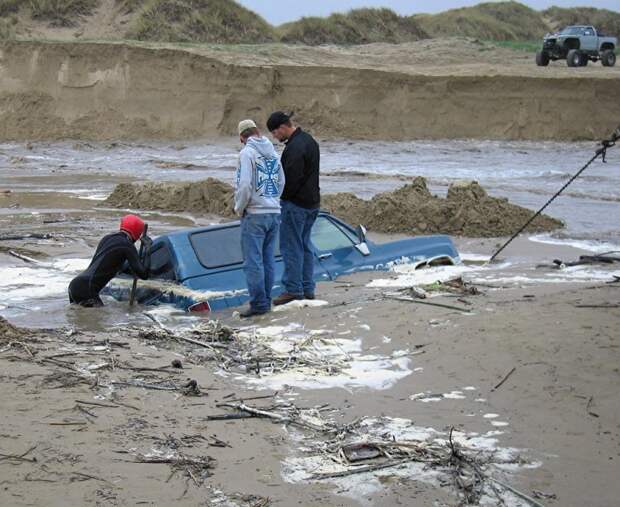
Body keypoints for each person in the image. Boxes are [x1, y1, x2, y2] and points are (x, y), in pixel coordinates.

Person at [266, 111, 320, 305]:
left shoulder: (294, 148)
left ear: (282, 127)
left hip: (296, 204)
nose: (275, 137)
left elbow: (290, 181)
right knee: (305, 245)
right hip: (312, 203)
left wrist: (280, 199)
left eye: (274, 133)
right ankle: (307, 288)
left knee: (291, 247)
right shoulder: (310, 141)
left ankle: (293, 289)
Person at [235, 119, 285, 318]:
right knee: (267, 260)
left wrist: (239, 208)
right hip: (274, 212)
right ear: (257, 131)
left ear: (242, 137)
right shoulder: (273, 152)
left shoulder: (246, 153)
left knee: (253, 262)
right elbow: (281, 181)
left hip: (254, 214)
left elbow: (245, 185)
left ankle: (258, 303)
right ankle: (266, 301)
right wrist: (273, 200)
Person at [68, 214, 151, 307]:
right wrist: (148, 249)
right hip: (87, 288)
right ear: (137, 233)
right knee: (96, 320)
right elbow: (144, 274)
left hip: (75, 284)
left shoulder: (107, 238)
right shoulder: (127, 245)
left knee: (80, 319)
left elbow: (109, 263)